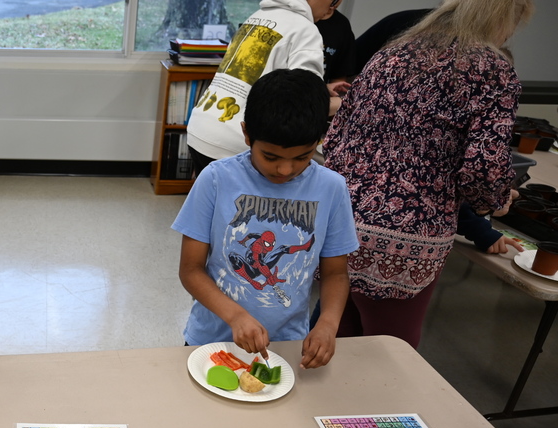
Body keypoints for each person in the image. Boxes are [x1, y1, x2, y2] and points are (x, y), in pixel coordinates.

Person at [322, 0, 532, 349]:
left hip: (340, 225)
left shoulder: (392, 53)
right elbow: (483, 168)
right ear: (504, 17)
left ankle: (325, 405)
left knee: (334, 340)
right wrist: (494, 200)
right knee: (390, 353)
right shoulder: (492, 70)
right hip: (407, 243)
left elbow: (336, 139)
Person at [173, 68, 359, 370]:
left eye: (302, 157)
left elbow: (336, 273)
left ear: (320, 140)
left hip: (286, 344)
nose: (285, 170)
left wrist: (327, 323)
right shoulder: (217, 179)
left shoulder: (332, 188)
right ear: (247, 134)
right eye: (270, 157)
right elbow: (191, 270)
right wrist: (235, 316)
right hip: (211, 339)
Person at [185, 0, 345, 175]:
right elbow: (304, 106)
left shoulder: (257, 17)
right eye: (334, 1)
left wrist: (321, 89)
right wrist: (344, 103)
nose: (333, 9)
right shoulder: (305, 30)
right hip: (238, 142)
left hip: (202, 129)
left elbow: (257, 79)